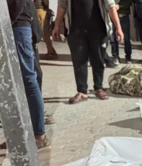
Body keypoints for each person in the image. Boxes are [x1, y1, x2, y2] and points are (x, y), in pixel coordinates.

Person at [52, 0, 124, 104]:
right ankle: (82, 91)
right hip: (76, 30)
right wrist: (56, 25)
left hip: (98, 29)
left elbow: (110, 6)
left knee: (98, 59)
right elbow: (62, 6)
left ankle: (98, 88)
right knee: (79, 61)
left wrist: (118, 28)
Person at [7, 0, 49, 148]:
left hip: (18, 25)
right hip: (11, 25)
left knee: (29, 80)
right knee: (10, 84)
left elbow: (16, 5)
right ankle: (19, 135)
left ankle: (39, 135)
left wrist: (6, 23)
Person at [111, 0, 133, 64]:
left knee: (126, 38)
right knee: (113, 38)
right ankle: (115, 56)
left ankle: (128, 57)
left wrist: (120, 5)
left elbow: (129, 1)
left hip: (123, 15)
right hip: (112, 15)